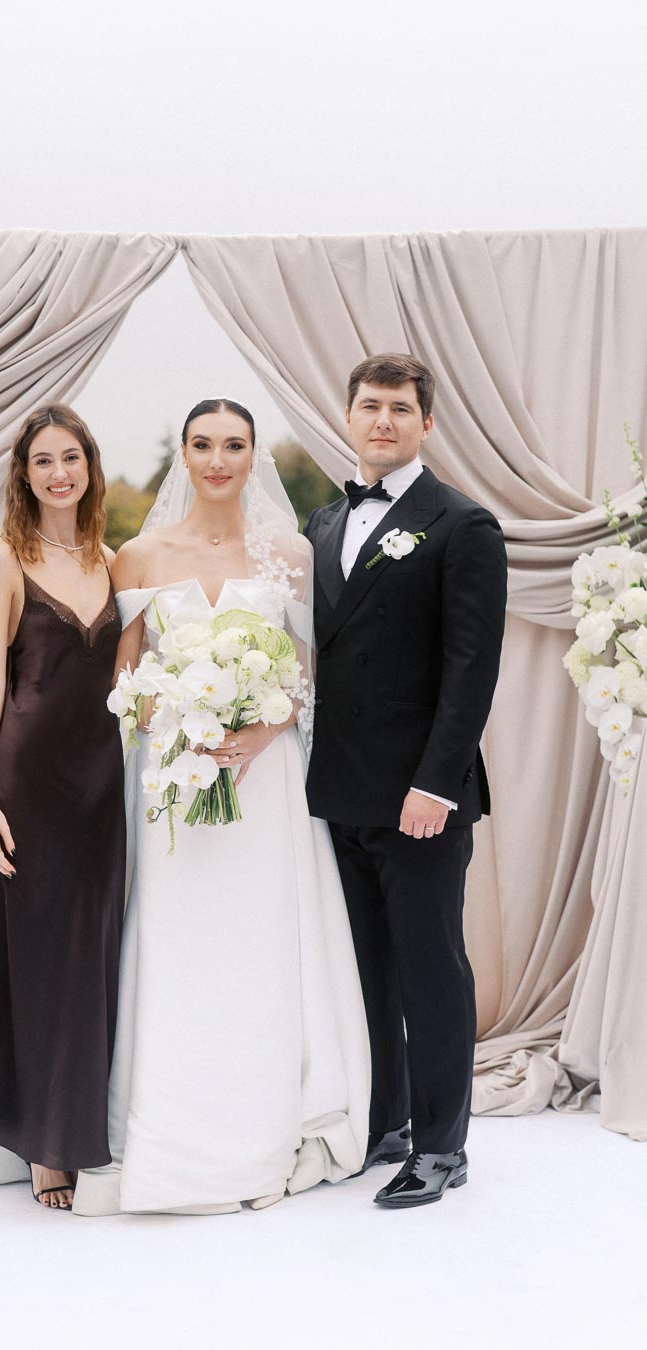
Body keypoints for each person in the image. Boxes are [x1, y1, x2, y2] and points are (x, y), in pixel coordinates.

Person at [72, 399, 370, 1217]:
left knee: (260, 939)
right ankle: (167, 1118)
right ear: (184, 453)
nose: (217, 459)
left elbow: (308, 673)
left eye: (234, 445)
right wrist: (170, 720)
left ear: (253, 456)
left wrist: (260, 731)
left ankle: (265, 1116)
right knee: (175, 942)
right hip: (172, 783)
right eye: (203, 444)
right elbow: (123, 679)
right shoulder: (137, 555)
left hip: (265, 781)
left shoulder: (292, 554)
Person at [305, 353, 507, 1208]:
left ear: (426, 424)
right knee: (364, 972)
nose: (382, 420)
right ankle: (384, 1123)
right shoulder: (319, 525)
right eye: (368, 406)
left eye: (399, 408)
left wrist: (437, 785)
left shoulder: (462, 525)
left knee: (431, 968)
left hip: (422, 797)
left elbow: (472, 672)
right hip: (336, 793)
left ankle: (443, 1146)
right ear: (347, 418)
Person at [0, 404, 125, 1210]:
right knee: (33, 952)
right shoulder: (2, 557)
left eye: (71, 458)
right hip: (28, 782)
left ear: (90, 465)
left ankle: (80, 1114)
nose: (59, 473)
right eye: (43, 461)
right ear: (23, 474)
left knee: (89, 953)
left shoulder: (111, 558)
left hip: (102, 783)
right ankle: (41, 1142)